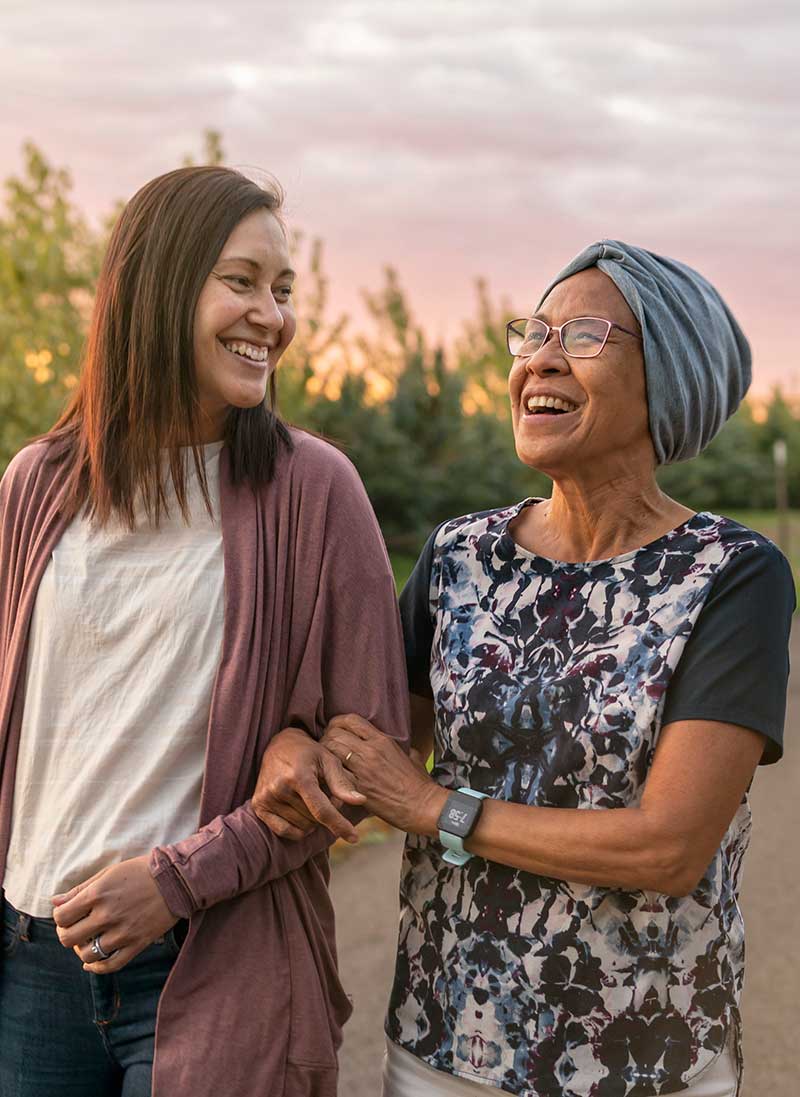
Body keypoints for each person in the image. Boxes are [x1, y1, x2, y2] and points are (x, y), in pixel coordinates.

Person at [254, 241, 794, 1097]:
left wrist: (437, 807)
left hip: (645, 1062)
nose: (539, 357)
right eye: (533, 332)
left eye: (583, 334)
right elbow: (366, 751)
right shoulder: (458, 555)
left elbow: (669, 845)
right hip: (443, 1048)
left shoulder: (732, 574)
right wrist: (293, 745)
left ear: (670, 376)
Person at [0, 165, 409, 1097]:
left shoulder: (314, 492)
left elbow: (368, 753)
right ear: (155, 284)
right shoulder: (36, 487)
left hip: (214, 960)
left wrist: (178, 879)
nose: (273, 315)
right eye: (242, 280)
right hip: (31, 965)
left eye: (283, 290)